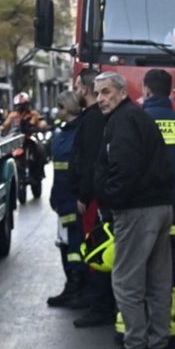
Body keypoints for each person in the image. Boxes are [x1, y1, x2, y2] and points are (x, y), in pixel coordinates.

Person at [114, 69, 175, 347]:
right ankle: (166, 331)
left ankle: (126, 330)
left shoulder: (133, 122)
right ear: (170, 93)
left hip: (140, 215)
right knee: (167, 280)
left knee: (132, 274)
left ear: (145, 91)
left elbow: (118, 168)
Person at [92, 72, 175, 349]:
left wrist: (110, 200)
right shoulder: (138, 117)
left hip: (136, 210)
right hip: (160, 207)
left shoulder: (123, 121)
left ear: (122, 92)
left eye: (106, 92)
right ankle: (159, 348)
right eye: (98, 93)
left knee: (126, 281)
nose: (100, 99)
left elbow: (123, 169)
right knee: (158, 282)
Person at [68, 68, 118, 326]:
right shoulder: (95, 118)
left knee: (97, 249)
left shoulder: (93, 120)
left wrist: (84, 195)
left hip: (94, 198)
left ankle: (100, 306)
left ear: (85, 89)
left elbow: (90, 162)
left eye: (77, 87)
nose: (75, 92)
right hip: (97, 195)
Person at [46, 90, 89, 308]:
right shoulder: (64, 131)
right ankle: (72, 286)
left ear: (68, 108)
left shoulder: (80, 131)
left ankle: (78, 288)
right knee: (66, 244)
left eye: (60, 107)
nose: (58, 111)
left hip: (74, 198)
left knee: (75, 245)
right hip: (63, 198)